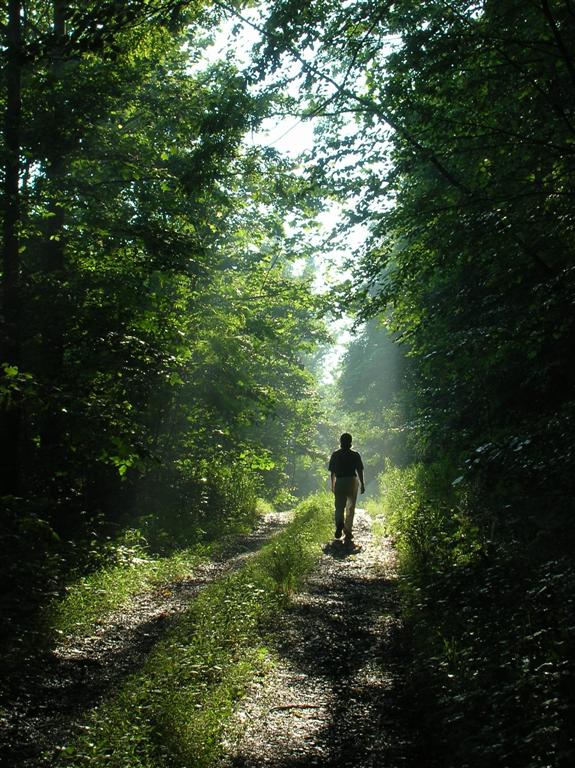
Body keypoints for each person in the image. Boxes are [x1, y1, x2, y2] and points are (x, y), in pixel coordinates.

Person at [328, 433, 365, 544]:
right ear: (350, 442)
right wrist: (362, 484)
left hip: (340, 480)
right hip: (352, 481)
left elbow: (332, 473)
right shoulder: (355, 454)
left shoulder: (335, 454)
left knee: (339, 506)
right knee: (350, 507)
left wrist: (333, 484)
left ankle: (339, 523)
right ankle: (347, 530)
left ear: (340, 442)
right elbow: (359, 470)